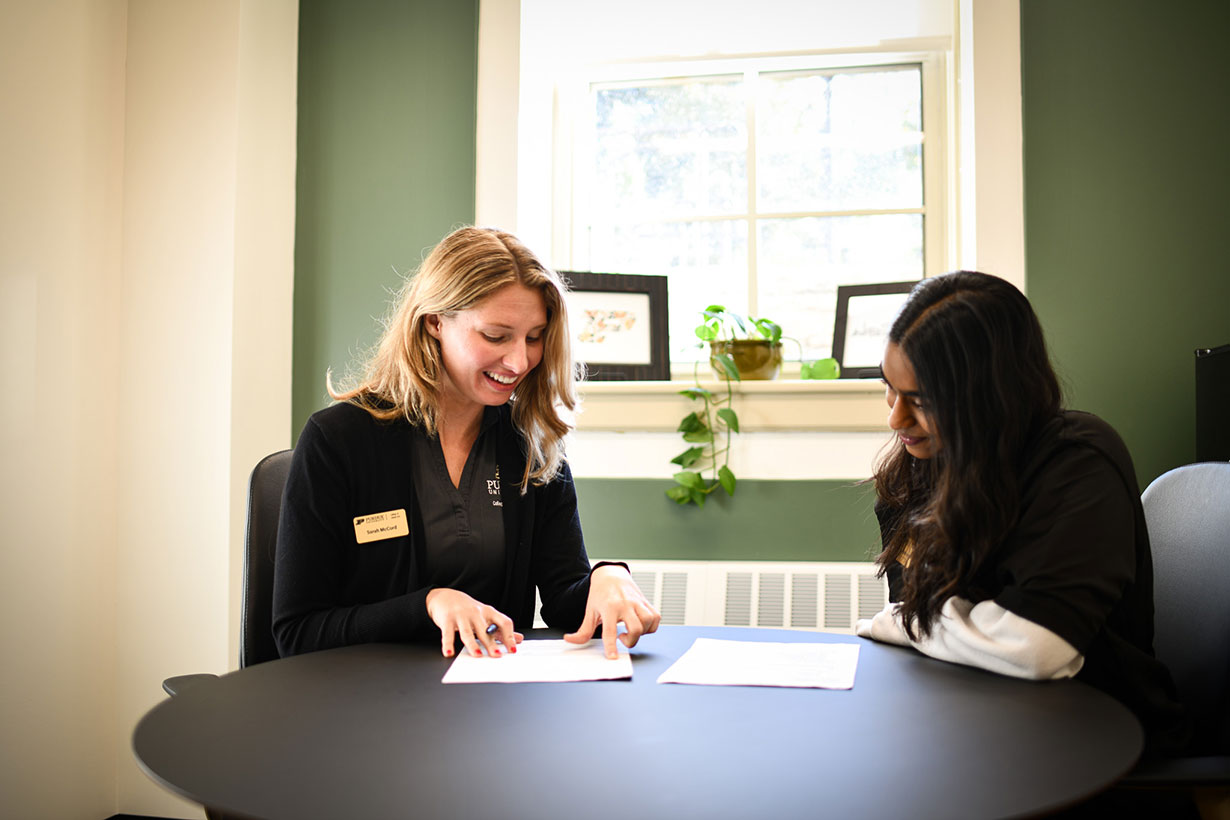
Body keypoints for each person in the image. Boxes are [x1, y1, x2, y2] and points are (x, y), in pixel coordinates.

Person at [273, 226, 660, 661]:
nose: (519, 361)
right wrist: (428, 604)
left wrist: (606, 579)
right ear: (435, 321)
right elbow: (297, 632)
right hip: (372, 705)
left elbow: (563, 602)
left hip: (493, 696)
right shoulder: (338, 441)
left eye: (534, 337)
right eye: (496, 336)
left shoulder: (529, 442)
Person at [855, 270, 1188, 757]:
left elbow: (1037, 649)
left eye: (921, 400)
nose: (895, 418)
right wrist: (951, 624)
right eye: (890, 388)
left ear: (989, 394)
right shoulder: (917, 470)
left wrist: (910, 624)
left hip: (1092, 743)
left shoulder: (1077, 462)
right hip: (972, 723)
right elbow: (920, 612)